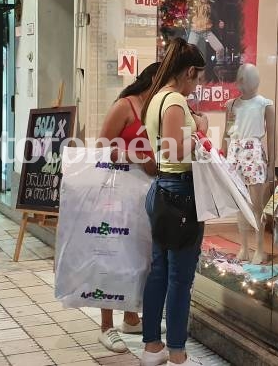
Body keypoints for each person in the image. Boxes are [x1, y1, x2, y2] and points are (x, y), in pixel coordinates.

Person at [140, 38, 207, 366]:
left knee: (160, 272)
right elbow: (171, 151)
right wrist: (200, 134)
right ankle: (177, 352)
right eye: (198, 78)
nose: (198, 86)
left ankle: (153, 346)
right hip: (179, 193)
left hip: (164, 194)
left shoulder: (156, 99)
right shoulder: (175, 100)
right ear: (190, 71)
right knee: (179, 278)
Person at [94, 63, 159, 353]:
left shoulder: (160, 107)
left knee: (138, 256)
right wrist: (132, 155)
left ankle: (131, 316)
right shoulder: (125, 106)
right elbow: (101, 146)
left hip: (144, 194)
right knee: (113, 255)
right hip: (117, 191)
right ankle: (106, 325)